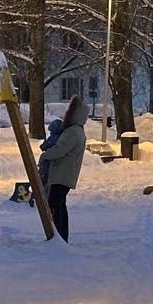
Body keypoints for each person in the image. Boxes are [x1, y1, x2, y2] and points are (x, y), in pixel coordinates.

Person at [39, 96, 88, 241]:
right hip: (66, 175)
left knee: (55, 207)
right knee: (60, 206)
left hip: (61, 175)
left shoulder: (72, 132)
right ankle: (62, 236)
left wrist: (44, 156)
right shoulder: (78, 131)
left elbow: (59, 150)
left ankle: (57, 237)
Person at [37, 118, 64, 195]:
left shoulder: (54, 138)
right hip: (53, 162)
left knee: (44, 177)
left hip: (48, 161)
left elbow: (44, 146)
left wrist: (44, 145)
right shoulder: (61, 138)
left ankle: (42, 194)